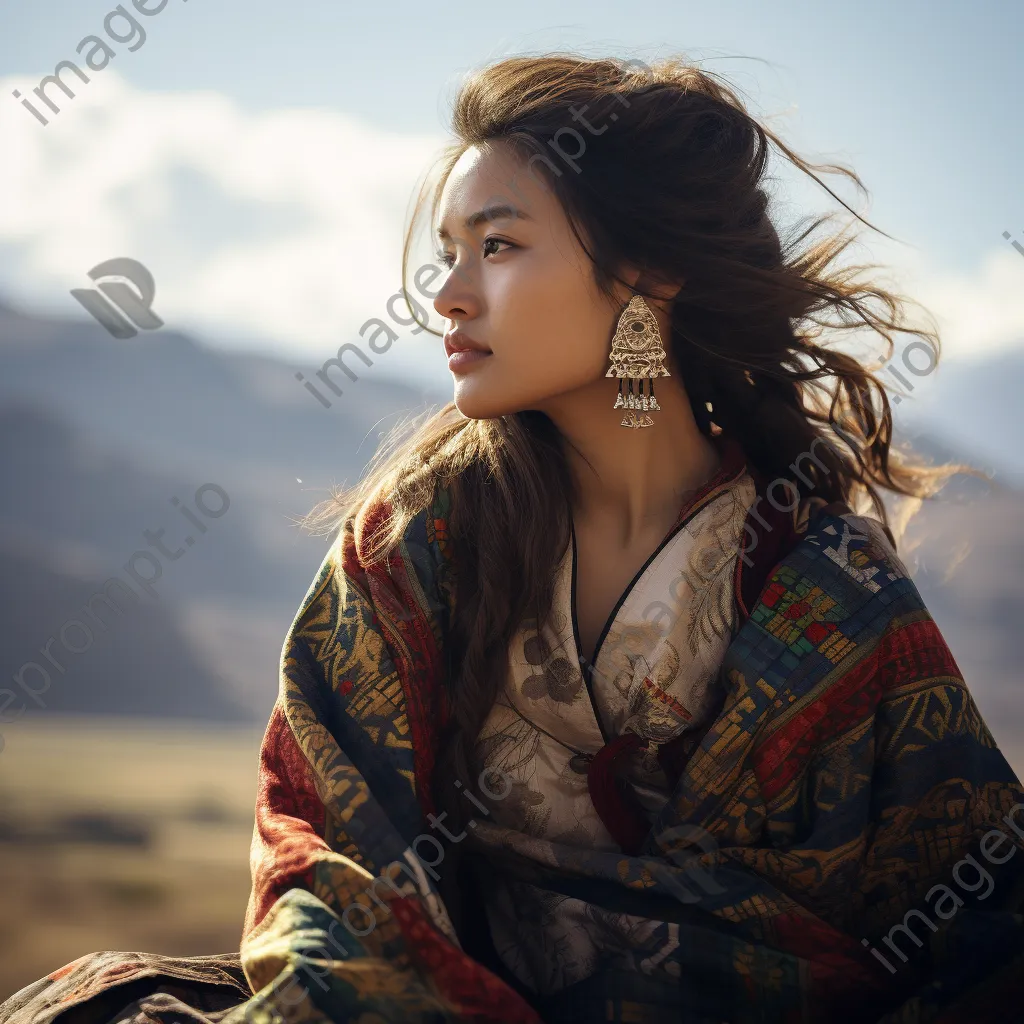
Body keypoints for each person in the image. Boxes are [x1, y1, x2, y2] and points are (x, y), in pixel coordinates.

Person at [4, 53, 1024, 1024]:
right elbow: (326, 851)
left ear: (646, 274)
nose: (445, 293)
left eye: (496, 245)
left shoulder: (828, 581)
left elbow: (986, 909)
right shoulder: (414, 541)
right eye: (447, 251)